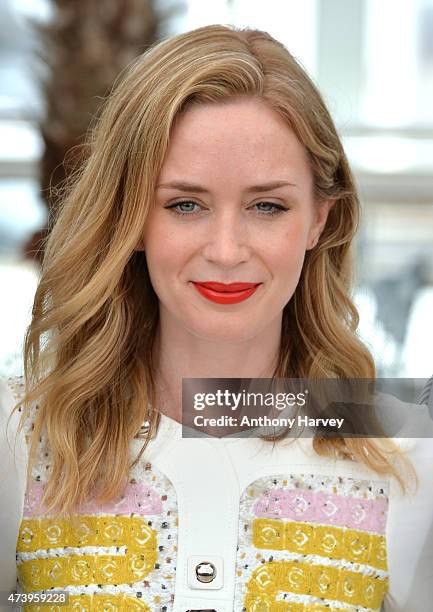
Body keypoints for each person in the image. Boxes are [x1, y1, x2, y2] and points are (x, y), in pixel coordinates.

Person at [0, 24, 432, 612]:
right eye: (185, 204)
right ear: (131, 218)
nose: (226, 251)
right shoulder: (18, 436)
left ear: (319, 220)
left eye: (266, 206)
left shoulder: (405, 452)